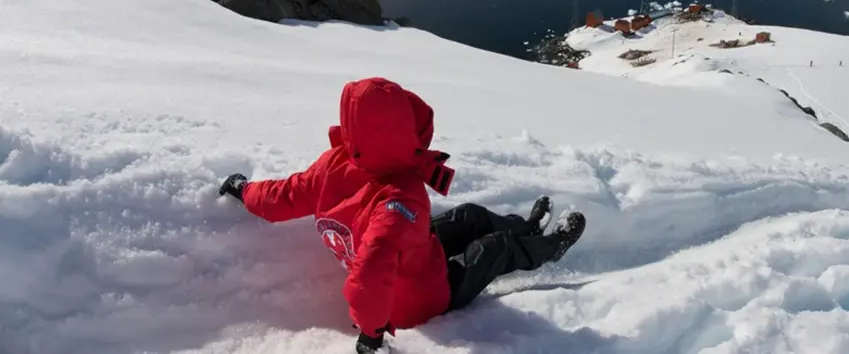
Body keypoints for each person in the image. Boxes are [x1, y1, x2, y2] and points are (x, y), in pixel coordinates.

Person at [217, 77, 585, 353]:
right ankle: (550, 246)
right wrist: (371, 334)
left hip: (414, 255)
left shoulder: (337, 163)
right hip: (422, 300)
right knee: (496, 249)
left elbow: (282, 196)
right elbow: (373, 268)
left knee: (470, 215)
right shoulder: (401, 199)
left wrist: (243, 189)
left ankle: (528, 226)